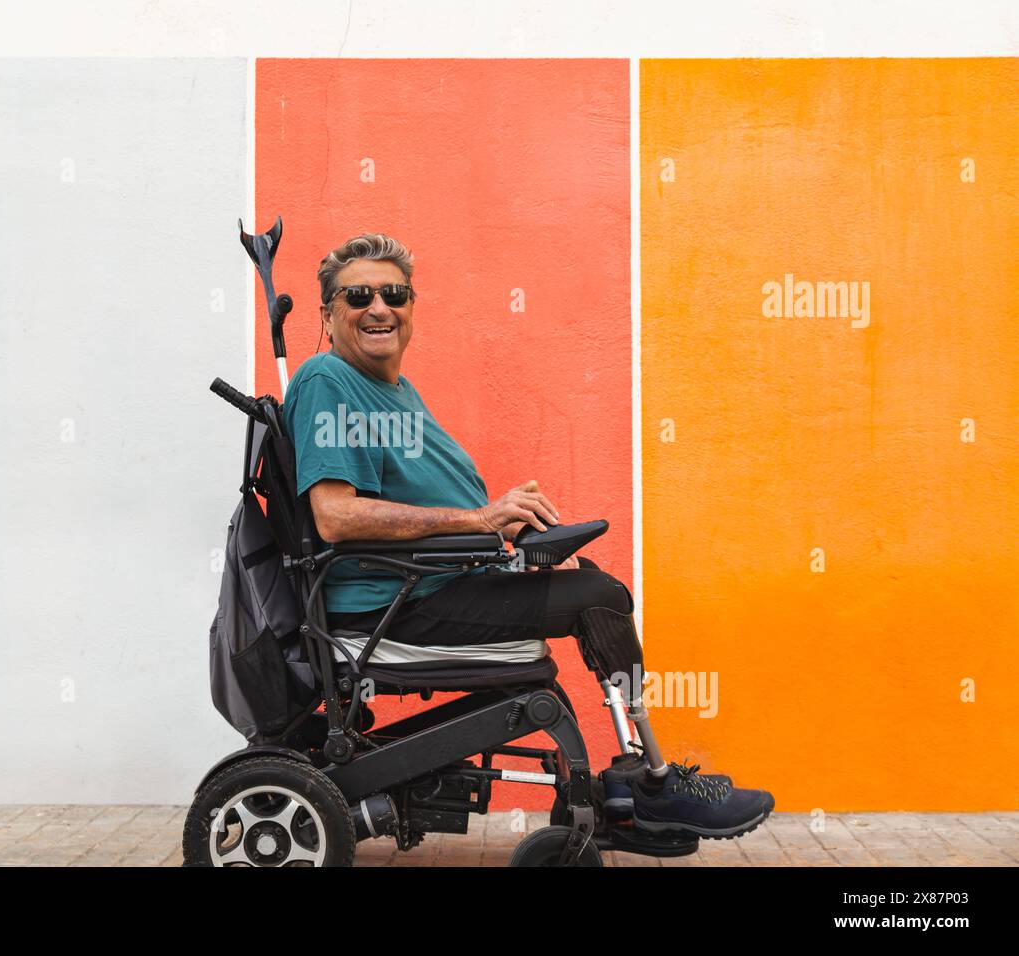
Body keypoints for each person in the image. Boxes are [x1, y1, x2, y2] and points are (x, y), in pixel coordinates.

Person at [281, 232, 773, 839]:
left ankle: (629, 786)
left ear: (411, 306)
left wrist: (499, 528)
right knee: (601, 598)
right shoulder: (330, 379)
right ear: (328, 314)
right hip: (397, 607)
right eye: (358, 295)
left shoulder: (390, 389)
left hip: (436, 585)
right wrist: (480, 521)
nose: (379, 307)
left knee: (589, 584)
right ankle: (649, 784)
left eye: (394, 293)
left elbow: (403, 499)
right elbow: (336, 515)